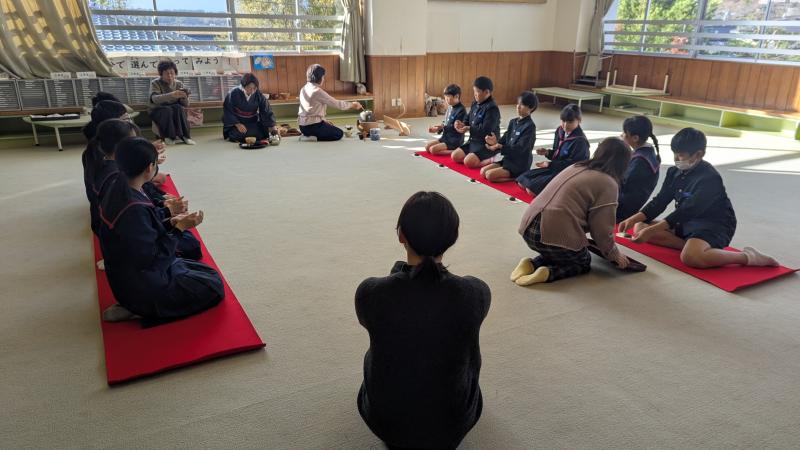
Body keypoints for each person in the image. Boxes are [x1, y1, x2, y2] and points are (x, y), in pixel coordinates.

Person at [356, 191, 490, 450]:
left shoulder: (370, 292)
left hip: (386, 423)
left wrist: (398, 275)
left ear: (401, 235)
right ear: (453, 238)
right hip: (453, 423)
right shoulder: (476, 292)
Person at [98, 137, 223, 322]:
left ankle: (134, 304)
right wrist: (179, 228)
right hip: (143, 286)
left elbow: (142, 230)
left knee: (201, 268)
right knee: (213, 285)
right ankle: (139, 309)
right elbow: (153, 259)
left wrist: (170, 221)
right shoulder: (133, 209)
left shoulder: (118, 185)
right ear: (150, 167)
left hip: (126, 277)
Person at [618, 128, 779, 269]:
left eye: (680, 155)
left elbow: (687, 211)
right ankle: (690, 245)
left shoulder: (709, 178)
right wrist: (633, 219)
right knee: (639, 227)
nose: (676, 159)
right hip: (685, 223)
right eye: (674, 154)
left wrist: (652, 230)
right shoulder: (674, 172)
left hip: (713, 225)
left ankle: (747, 256)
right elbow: (660, 201)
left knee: (691, 258)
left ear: (699, 154)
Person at [512, 137, 632, 286]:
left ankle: (531, 264)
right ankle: (548, 273)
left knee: (560, 252)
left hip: (528, 228)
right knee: (582, 261)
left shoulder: (577, 166)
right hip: (550, 234)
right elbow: (601, 229)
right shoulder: (609, 183)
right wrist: (613, 254)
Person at [86, 119, 201, 261]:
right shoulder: (120, 185)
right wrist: (178, 227)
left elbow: (143, 217)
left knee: (190, 244)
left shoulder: (119, 175)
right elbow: (150, 256)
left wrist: (167, 213)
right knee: (193, 249)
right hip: (137, 266)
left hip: (133, 238)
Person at [516, 103, 589, 196]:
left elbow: (574, 166)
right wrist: (547, 152)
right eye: (563, 121)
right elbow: (557, 152)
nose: (565, 125)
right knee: (522, 180)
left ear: (579, 121)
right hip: (555, 168)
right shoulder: (560, 131)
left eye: (570, 122)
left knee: (531, 190)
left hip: (567, 174)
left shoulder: (580, 141)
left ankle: (560, 193)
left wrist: (550, 164)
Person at [481, 91, 539, 183]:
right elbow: (504, 139)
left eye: (522, 105)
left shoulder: (530, 126)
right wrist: (495, 142)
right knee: (483, 171)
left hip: (519, 164)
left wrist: (500, 147)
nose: (518, 107)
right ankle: (513, 175)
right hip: (508, 160)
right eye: (518, 104)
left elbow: (520, 149)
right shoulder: (513, 122)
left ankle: (518, 177)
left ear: (531, 108)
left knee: (489, 175)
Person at [297, 64, 363, 141]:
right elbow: (337, 104)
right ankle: (311, 137)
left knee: (330, 126)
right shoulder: (317, 91)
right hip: (313, 126)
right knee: (339, 133)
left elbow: (311, 110)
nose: (323, 79)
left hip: (302, 127)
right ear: (320, 77)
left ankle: (308, 135)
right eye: (323, 77)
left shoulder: (304, 88)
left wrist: (323, 120)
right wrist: (353, 105)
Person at [617, 115, 661, 221]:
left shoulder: (640, 162)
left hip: (621, 210)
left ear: (635, 138)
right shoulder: (647, 152)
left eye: (624, 133)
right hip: (629, 205)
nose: (621, 135)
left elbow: (623, 184)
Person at [451, 76, 501, 168]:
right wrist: (462, 124)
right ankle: (473, 156)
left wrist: (469, 128)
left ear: (487, 92)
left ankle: (493, 158)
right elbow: (468, 118)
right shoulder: (475, 103)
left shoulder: (492, 108)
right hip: (473, 140)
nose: (475, 94)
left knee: (468, 162)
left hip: (486, 144)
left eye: (477, 91)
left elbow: (486, 130)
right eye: (474, 91)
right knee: (455, 156)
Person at [149, 60, 195, 145]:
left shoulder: (179, 84)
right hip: (157, 109)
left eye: (172, 73)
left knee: (179, 108)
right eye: (166, 73)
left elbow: (186, 104)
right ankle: (169, 136)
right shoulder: (155, 83)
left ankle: (186, 136)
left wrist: (184, 96)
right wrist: (172, 95)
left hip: (174, 108)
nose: (170, 76)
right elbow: (154, 99)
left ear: (175, 73)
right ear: (161, 74)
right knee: (167, 110)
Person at [222, 73, 277, 143]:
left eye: (254, 88)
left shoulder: (258, 94)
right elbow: (228, 111)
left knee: (267, 130)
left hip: (252, 123)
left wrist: (273, 128)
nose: (252, 91)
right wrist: (237, 124)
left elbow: (266, 111)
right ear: (243, 86)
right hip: (237, 124)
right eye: (249, 88)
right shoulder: (233, 93)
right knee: (236, 134)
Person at [424, 84, 467, 155]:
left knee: (433, 150)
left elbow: (456, 128)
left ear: (456, 96)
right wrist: (438, 128)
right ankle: (453, 150)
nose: (446, 99)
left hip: (454, 140)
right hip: (445, 137)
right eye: (445, 96)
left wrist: (442, 127)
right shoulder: (450, 107)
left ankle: (457, 150)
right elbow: (446, 122)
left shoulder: (461, 110)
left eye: (448, 97)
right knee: (427, 147)